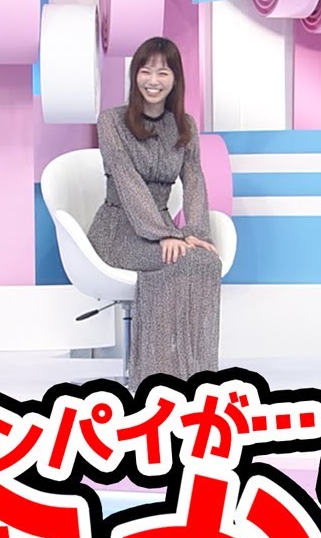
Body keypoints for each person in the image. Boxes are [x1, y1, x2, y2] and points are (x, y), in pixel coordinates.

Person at [89, 36, 222, 390]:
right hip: (118, 229)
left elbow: (194, 180)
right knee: (175, 260)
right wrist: (163, 233)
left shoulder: (185, 126)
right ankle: (153, 378)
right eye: (146, 71)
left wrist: (195, 232)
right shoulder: (111, 121)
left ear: (175, 79)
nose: (153, 80)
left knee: (206, 261)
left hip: (162, 227)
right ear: (135, 75)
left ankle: (196, 375)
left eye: (163, 72)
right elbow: (127, 180)